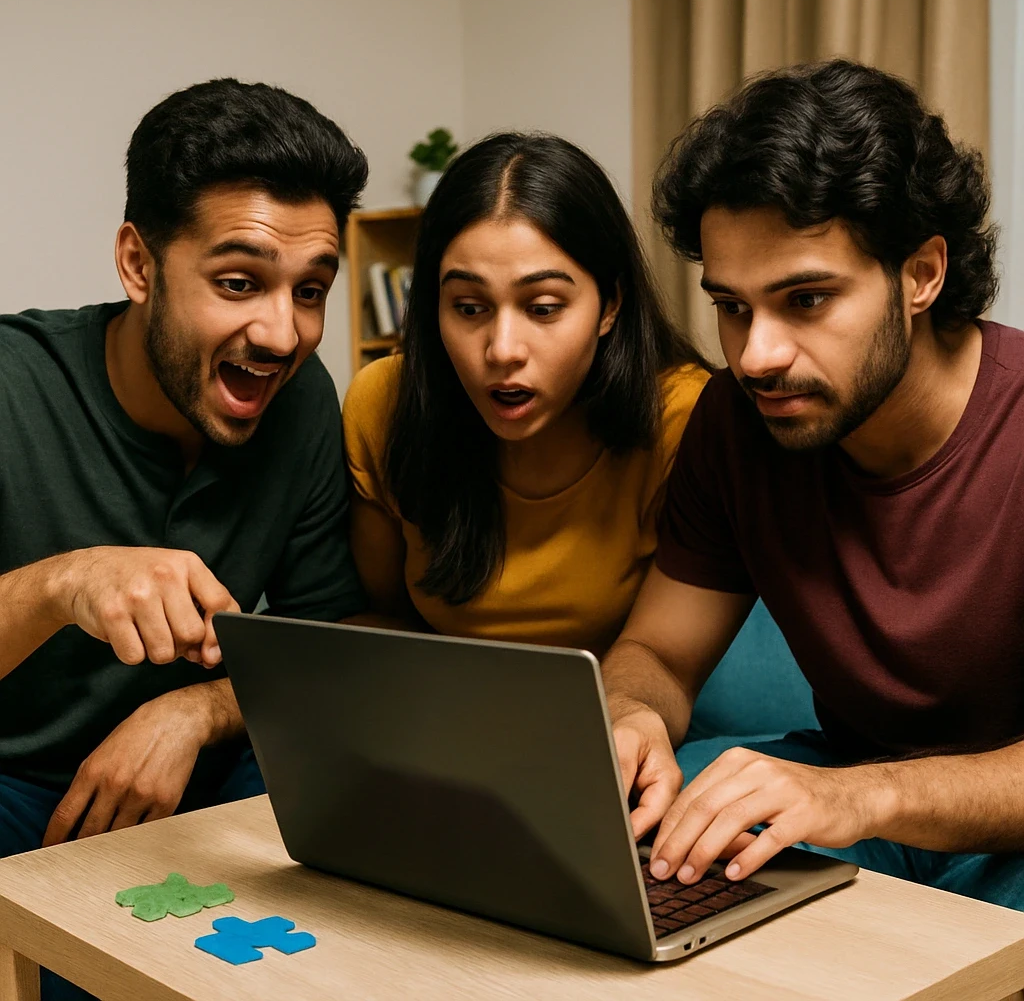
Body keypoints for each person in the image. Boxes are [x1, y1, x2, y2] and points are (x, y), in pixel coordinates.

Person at [600, 57, 1024, 911]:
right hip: (851, 805)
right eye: (731, 305)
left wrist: (861, 796)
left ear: (921, 274)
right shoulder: (737, 422)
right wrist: (632, 715)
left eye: (806, 300)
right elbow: (658, 654)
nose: (756, 355)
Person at [0, 77, 367, 891]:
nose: (282, 334)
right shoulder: (11, 385)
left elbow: (330, 640)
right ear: (139, 263)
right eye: (239, 282)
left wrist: (192, 713)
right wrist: (66, 582)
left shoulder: (301, 400)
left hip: (210, 772)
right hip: (17, 790)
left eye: (310, 291)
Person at [343, 133, 709, 655]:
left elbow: (661, 657)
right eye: (469, 308)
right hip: (436, 709)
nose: (502, 350)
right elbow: (381, 618)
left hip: (617, 714)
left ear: (609, 305)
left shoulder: (684, 417)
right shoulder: (383, 404)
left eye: (542, 308)